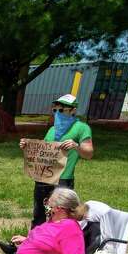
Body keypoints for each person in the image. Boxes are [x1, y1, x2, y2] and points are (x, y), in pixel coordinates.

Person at [20, 94, 93, 227]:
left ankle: (58, 244)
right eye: (55, 110)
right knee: (39, 215)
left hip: (63, 180)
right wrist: (27, 146)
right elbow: (44, 150)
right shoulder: (52, 129)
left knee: (61, 217)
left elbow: (89, 153)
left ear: (73, 110)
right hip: (43, 177)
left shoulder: (82, 128)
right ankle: (34, 244)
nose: (57, 114)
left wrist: (76, 146)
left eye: (62, 110)